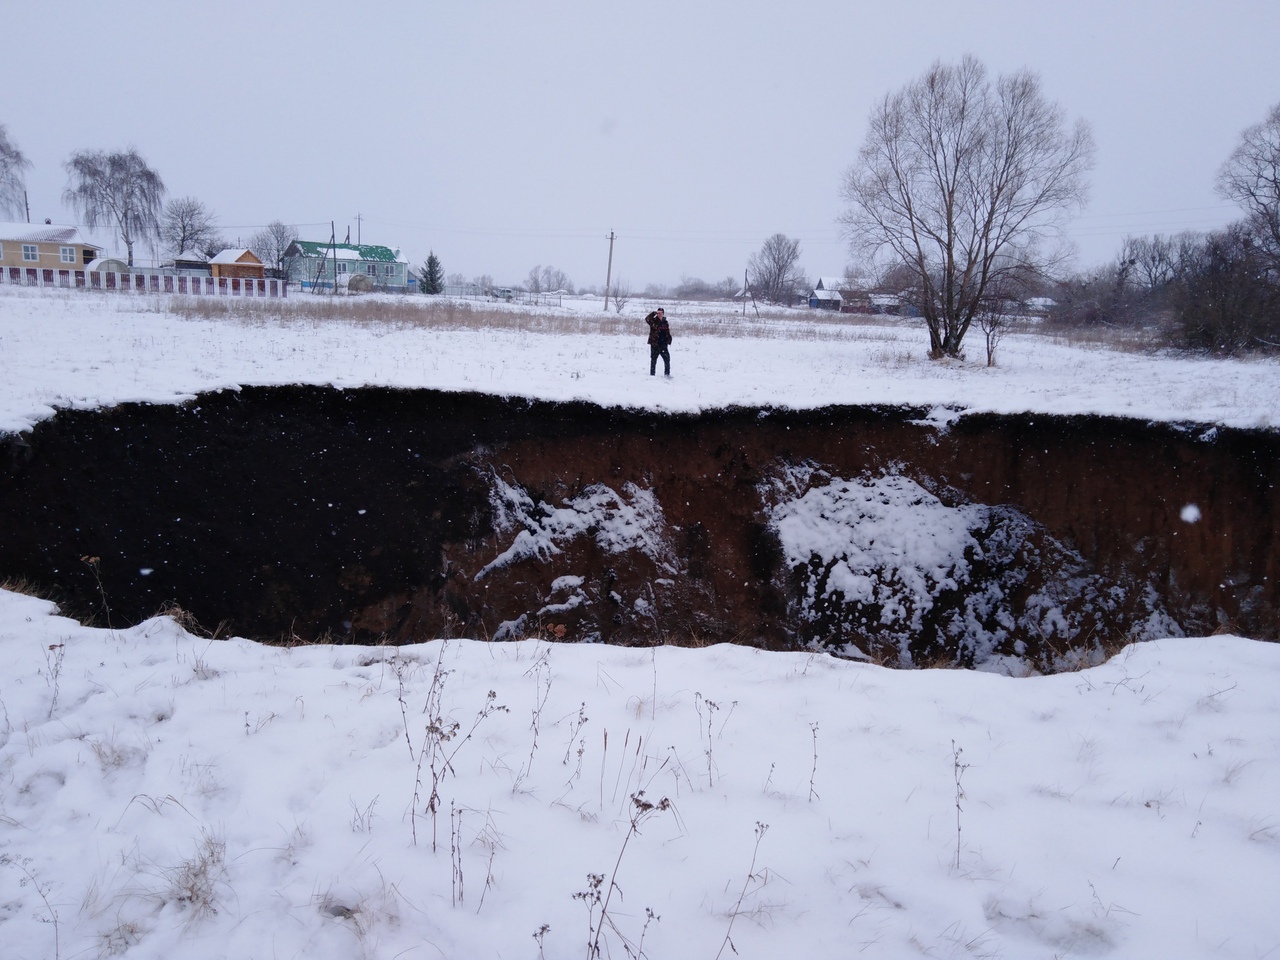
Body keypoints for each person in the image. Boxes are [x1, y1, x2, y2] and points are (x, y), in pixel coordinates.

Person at [644, 307, 672, 376]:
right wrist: (654, 313)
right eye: (658, 313)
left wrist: (669, 339)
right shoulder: (653, 321)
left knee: (667, 359)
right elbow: (647, 319)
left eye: (661, 313)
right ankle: (652, 375)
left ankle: (667, 374)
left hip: (663, 344)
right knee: (653, 360)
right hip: (655, 343)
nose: (660, 314)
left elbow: (667, 332)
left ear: (663, 314)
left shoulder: (665, 322)